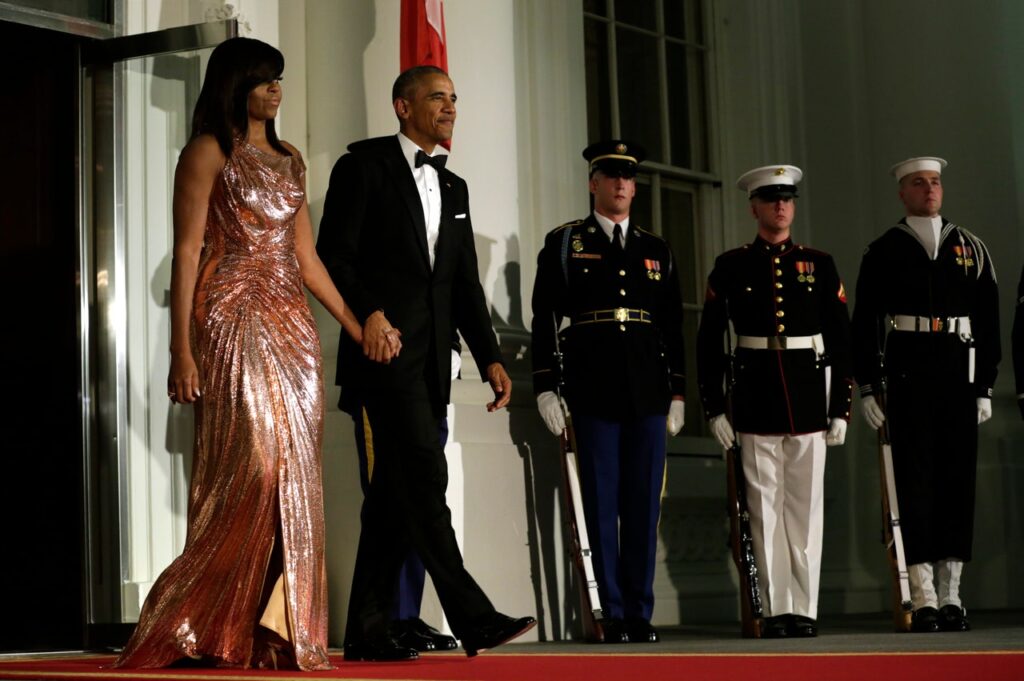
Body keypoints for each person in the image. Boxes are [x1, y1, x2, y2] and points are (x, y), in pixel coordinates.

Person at [114, 37, 363, 670]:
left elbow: (306, 257)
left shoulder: (290, 159)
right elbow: (189, 252)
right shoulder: (207, 152)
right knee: (250, 468)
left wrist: (355, 327)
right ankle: (193, 618)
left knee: (295, 472)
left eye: (279, 78)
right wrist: (181, 350)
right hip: (229, 313)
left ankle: (271, 630)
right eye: (263, 78)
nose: (276, 89)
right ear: (235, 84)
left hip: (292, 325)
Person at [316, 65, 535, 662]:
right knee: (424, 483)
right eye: (437, 97)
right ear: (402, 106)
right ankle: (475, 617)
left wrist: (489, 356)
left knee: (393, 496)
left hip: (435, 367)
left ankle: (366, 628)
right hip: (382, 361)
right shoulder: (361, 167)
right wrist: (369, 316)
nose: (450, 107)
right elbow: (333, 257)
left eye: (455, 98)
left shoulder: (455, 187)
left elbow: (463, 284)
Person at [531, 140, 687, 644]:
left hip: (647, 389)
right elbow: (544, 320)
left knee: (643, 505)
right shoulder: (565, 243)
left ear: (635, 187)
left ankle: (639, 613)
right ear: (593, 182)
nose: (621, 184)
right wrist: (546, 387)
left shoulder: (655, 248)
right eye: (611, 175)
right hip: (591, 386)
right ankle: (609, 612)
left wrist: (679, 394)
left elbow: (672, 326)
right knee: (600, 502)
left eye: (628, 177)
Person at [696, 165, 853, 638]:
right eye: (770, 199)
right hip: (755, 393)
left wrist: (840, 406)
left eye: (787, 198)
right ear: (754, 207)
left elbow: (841, 340)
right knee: (763, 511)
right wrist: (714, 406)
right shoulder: (731, 265)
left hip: (808, 393)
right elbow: (708, 340)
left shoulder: (819, 263)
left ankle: (804, 609)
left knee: (805, 512)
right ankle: (775, 608)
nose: (780, 206)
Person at [852, 157, 999, 633]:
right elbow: (865, 324)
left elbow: (988, 320)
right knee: (914, 484)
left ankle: (953, 592)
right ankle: (923, 593)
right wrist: (870, 386)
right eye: (919, 183)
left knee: (956, 483)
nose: (930, 189)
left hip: (958, 374)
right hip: (908, 376)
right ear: (903, 193)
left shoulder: (971, 248)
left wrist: (985, 387)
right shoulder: (883, 250)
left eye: (935, 181)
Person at [343, 339, 463, 653]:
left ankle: (405, 616)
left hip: (426, 380)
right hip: (382, 374)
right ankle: (384, 619)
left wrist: (450, 344)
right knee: (389, 504)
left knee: (424, 500)